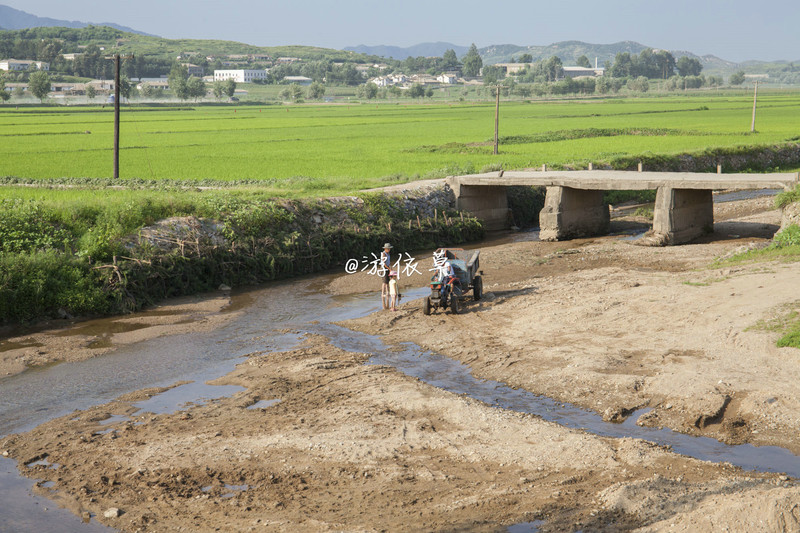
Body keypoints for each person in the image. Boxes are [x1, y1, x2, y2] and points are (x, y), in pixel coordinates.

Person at [380, 243, 393, 309]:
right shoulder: (383, 254)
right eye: (388, 248)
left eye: (389, 248)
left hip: (387, 267)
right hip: (384, 268)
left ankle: (387, 292)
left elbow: (388, 262)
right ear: (385, 249)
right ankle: (382, 293)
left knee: (388, 281)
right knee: (384, 282)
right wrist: (389, 269)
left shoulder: (388, 254)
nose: (389, 249)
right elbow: (384, 264)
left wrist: (390, 267)